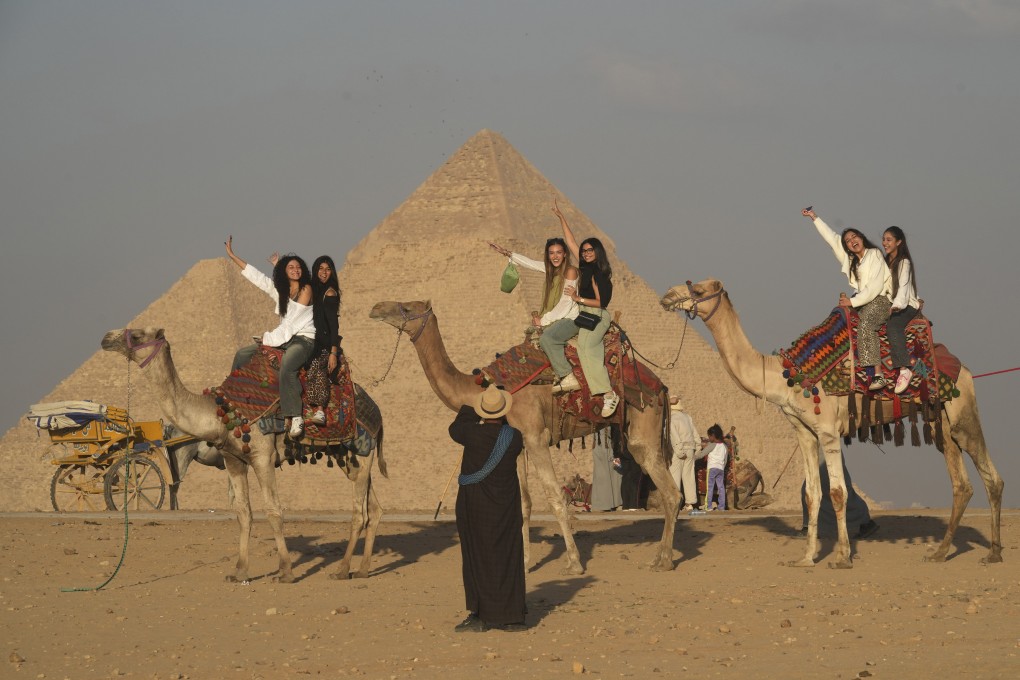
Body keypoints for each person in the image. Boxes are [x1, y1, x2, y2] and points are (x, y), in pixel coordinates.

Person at [448, 384, 527, 633]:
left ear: (483, 412)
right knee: (507, 556)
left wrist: (474, 405)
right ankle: (512, 616)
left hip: (475, 507)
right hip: (505, 509)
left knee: (476, 559)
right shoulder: (514, 438)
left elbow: (457, 426)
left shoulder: (470, 434)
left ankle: (480, 615)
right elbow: (504, 428)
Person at [225, 237, 315, 439]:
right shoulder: (282, 291)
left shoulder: (306, 289)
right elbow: (259, 279)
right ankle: (232, 396)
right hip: (283, 338)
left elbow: (292, 323)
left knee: (288, 366)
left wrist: (267, 339)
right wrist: (233, 256)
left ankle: (295, 416)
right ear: (285, 270)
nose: (296, 270)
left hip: (304, 339)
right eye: (291, 267)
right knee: (243, 354)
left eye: (298, 267)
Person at [540, 200, 620, 418]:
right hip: (584, 315)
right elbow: (571, 241)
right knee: (550, 336)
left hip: (597, 315)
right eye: (584, 251)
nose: (585, 253)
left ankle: (609, 394)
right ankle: (564, 375)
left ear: (598, 252)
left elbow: (601, 303)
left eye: (590, 250)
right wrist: (561, 218)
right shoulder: (584, 266)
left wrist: (577, 298)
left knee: (586, 348)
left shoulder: (600, 274)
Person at [803, 207, 893, 391]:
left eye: (854, 237)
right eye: (848, 241)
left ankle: (877, 374)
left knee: (866, 324)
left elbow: (875, 287)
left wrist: (852, 302)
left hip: (880, 300)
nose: (852, 242)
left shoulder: (874, 255)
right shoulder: (852, 260)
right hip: (861, 300)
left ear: (861, 238)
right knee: (836, 322)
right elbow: (833, 239)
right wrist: (815, 218)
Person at [488, 237, 579, 328]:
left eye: (559, 252)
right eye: (551, 253)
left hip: (567, 317)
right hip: (553, 316)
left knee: (547, 340)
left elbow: (566, 302)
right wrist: (506, 252)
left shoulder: (570, 272)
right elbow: (530, 263)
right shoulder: (551, 269)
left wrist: (543, 320)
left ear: (565, 254)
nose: (555, 257)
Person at [800, 451, 879, 539]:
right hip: (819, 453)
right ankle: (810, 527)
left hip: (829, 453)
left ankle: (865, 521)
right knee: (809, 489)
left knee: (836, 491)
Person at [881, 226, 920, 394]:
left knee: (893, 326)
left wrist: (895, 307)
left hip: (905, 305)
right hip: (889, 303)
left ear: (898, 242)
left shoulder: (904, 262)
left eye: (889, 240)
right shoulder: (884, 262)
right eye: (884, 239)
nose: (885, 243)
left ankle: (904, 369)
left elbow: (903, 289)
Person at [304, 255, 342, 424]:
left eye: (327, 269)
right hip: (308, 337)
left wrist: (333, 352)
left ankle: (320, 410)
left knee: (317, 365)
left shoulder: (330, 293)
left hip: (323, 343)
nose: (324, 272)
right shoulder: (312, 289)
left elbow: (334, 325)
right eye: (321, 268)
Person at [668, 395, 702, 512]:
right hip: (690, 449)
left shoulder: (671, 418)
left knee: (675, 476)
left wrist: (678, 451)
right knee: (689, 476)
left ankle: (676, 503)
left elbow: (674, 436)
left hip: (679, 449)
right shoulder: (687, 417)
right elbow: (695, 435)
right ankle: (690, 503)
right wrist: (697, 449)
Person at [590, 427, 623, 511]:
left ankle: (618, 503)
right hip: (602, 443)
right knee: (602, 474)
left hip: (614, 447)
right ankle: (603, 504)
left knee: (617, 473)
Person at [701, 424, 727, 511]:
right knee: (721, 487)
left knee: (710, 487)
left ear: (712, 436)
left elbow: (702, 454)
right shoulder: (725, 446)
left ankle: (708, 506)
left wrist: (692, 458)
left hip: (712, 468)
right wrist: (722, 467)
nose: (709, 438)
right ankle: (721, 507)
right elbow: (725, 460)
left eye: (709, 436)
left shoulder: (712, 445)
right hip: (721, 469)